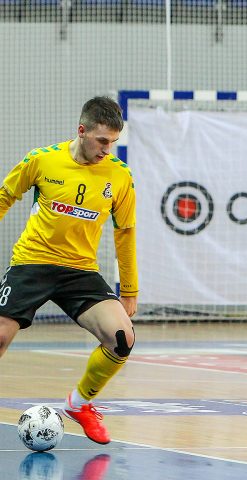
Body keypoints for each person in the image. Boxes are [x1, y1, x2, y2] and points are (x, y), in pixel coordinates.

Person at [0, 96, 138, 445]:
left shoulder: (119, 176)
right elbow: (4, 197)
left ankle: (80, 404)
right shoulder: (42, 160)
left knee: (122, 338)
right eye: (102, 141)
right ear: (82, 130)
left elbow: (125, 232)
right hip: (33, 261)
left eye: (114, 142)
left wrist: (130, 291)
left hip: (80, 271)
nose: (108, 149)